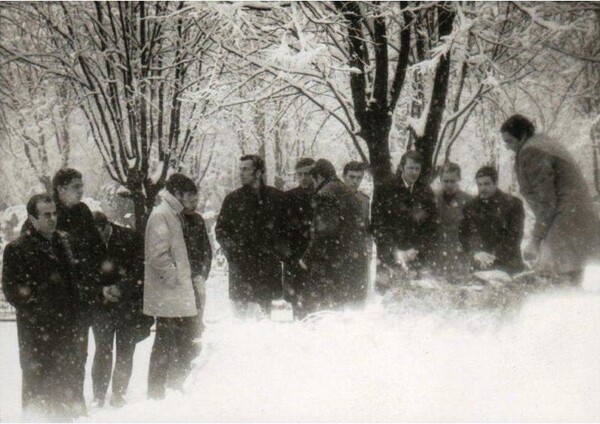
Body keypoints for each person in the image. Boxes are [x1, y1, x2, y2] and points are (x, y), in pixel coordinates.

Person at [2, 194, 78, 419]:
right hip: (36, 333)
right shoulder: (17, 249)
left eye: (55, 213)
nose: (53, 218)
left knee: (65, 388)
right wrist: (41, 311)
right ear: (32, 219)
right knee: (37, 389)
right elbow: (13, 290)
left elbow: (73, 283)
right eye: (46, 215)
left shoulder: (64, 243)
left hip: (66, 331)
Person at [501, 114, 600, 284]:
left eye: (509, 141)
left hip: (565, 217)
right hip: (577, 217)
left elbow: (547, 203)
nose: (507, 146)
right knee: (569, 271)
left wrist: (535, 240)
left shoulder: (531, 151)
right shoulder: (543, 142)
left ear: (522, 135)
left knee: (552, 272)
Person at [144, 174, 204, 399]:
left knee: (177, 343)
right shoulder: (162, 215)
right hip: (169, 296)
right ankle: (157, 393)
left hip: (175, 295)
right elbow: (158, 256)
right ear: (178, 193)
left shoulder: (171, 213)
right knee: (165, 344)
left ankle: (171, 390)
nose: (190, 200)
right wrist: (176, 280)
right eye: (188, 195)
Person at [90, 212, 153, 408]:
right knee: (102, 350)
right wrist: (102, 291)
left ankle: (119, 394)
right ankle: (98, 396)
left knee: (126, 351)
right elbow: (86, 271)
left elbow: (140, 269)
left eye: (100, 233)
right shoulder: (89, 241)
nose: (98, 240)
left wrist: (122, 287)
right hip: (102, 306)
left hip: (128, 305)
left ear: (106, 226)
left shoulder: (129, 237)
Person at [216, 155, 288, 315]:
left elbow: (287, 230)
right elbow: (221, 231)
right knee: (241, 322)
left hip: (267, 271)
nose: (240, 173)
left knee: (266, 322)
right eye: (240, 169)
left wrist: (279, 251)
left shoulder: (276, 198)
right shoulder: (232, 200)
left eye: (245, 169)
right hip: (242, 271)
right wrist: (234, 252)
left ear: (258, 172)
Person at [300, 159, 367, 312]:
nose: (313, 185)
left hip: (333, 264)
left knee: (322, 312)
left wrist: (307, 257)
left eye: (313, 180)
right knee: (343, 313)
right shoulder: (347, 192)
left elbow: (325, 232)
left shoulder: (326, 194)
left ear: (319, 177)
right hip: (352, 263)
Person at [371, 151, 438, 290]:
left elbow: (431, 227)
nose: (414, 173)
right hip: (389, 255)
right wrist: (394, 251)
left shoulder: (426, 192)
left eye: (417, 169)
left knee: (416, 298)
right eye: (410, 168)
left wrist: (416, 248)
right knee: (389, 299)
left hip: (416, 256)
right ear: (402, 167)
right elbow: (378, 225)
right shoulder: (384, 189)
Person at [459, 166, 525, 274]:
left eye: (486, 184)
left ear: (495, 183)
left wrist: (494, 255)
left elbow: (515, 235)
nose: (482, 188)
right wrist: (476, 251)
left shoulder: (513, 204)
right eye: (479, 184)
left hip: (507, 263)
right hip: (480, 264)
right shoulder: (470, 206)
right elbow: (465, 234)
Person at [284, 157, 315, 318]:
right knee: (294, 300)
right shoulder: (288, 197)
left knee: (315, 297)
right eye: (300, 174)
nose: (304, 178)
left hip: (316, 254)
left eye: (308, 174)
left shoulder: (320, 195)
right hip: (294, 254)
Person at [433, 162, 473, 281]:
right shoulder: (432, 199)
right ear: (440, 179)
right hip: (437, 255)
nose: (449, 185)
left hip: (459, 256)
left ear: (459, 179)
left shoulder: (469, 201)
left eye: (452, 181)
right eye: (445, 181)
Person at [342, 160, 371, 302]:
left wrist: (367, 253)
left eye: (358, 178)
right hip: (339, 254)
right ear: (344, 176)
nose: (355, 181)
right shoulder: (335, 198)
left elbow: (366, 229)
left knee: (358, 297)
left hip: (358, 254)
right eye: (351, 177)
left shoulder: (364, 201)